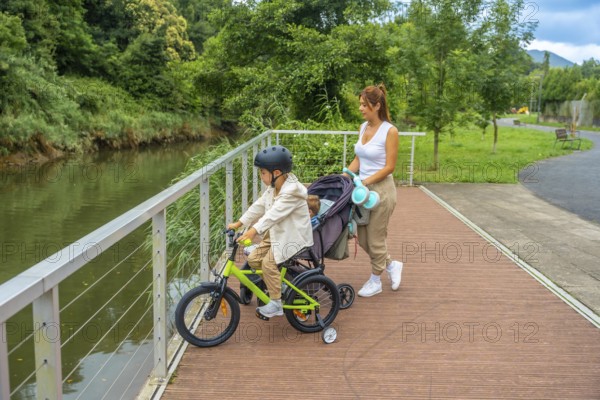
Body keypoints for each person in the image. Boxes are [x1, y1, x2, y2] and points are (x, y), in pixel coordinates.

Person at [228, 145, 313, 318]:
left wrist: (252, 231)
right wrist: (240, 222)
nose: (261, 176)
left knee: (268, 264)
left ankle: (276, 304)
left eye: (262, 173)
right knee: (253, 259)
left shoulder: (292, 192)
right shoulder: (275, 187)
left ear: (276, 173)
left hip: (293, 237)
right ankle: (280, 287)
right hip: (277, 234)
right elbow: (260, 205)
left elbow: (272, 216)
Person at [344, 84, 403, 297]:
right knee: (364, 239)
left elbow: (389, 167)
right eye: (360, 104)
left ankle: (375, 281)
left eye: (364, 105)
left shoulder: (390, 131)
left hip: (382, 191)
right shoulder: (363, 127)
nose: (360, 108)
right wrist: (343, 177)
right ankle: (391, 264)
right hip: (362, 190)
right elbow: (359, 158)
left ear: (377, 105)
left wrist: (365, 181)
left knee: (376, 239)